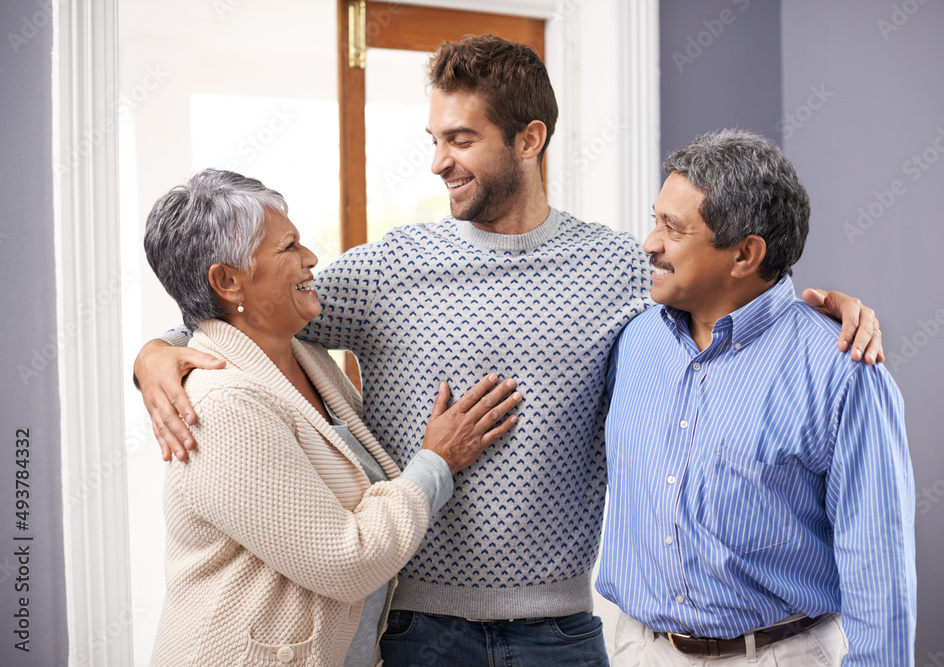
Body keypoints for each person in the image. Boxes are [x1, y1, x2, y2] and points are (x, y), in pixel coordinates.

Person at [134, 36, 884, 667]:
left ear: (529, 139)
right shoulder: (388, 269)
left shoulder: (620, 269)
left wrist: (825, 307)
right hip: (417, 629)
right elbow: (255, 308)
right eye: (434, 139)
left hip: (561, 631)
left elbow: (733, 287)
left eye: (461, 140)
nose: (438, 162)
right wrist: (158, 351)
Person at [142, 169, 522, 666]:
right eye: (288, 247)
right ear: (228, 280)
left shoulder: (304, 356)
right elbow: (348, 562)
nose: (311, 259)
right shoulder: (222, 408)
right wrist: (437, 461)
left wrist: (152, 351)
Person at [597, 130, 915, 666]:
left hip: (778, 655)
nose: (649, 242)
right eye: (655, 219)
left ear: (746, 254)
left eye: (672, 228)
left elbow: (877, 564)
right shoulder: (634, 340)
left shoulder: (842, 370)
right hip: (636, 650)